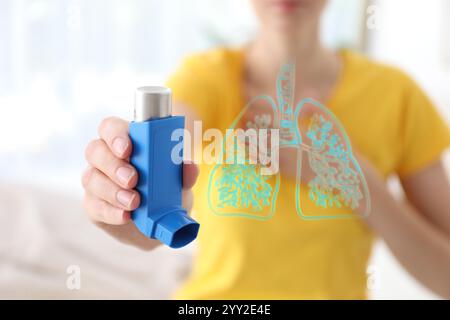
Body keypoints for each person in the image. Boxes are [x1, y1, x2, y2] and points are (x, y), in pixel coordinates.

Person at [81, 0, 450, 299]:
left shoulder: (396, 97)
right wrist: (135, 203)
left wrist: (352, 176)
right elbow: (167, 164)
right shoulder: (206, 80)